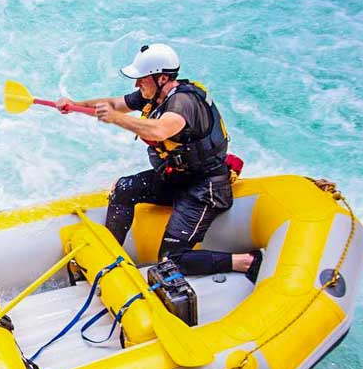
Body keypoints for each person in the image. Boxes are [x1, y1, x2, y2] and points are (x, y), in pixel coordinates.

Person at [58, 43, 263, 281]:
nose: (137, 84)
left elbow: (159, 130)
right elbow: (113, 104)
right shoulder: (154, 94)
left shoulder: (185, 103)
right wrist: (74, 105)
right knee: (124, 188)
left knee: (172, 259)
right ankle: (110, 259)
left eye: (141, 79)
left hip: (204, 188)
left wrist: (115, 119)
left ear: (162, 78)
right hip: (176, 177)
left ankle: (245, 262)